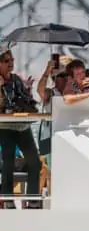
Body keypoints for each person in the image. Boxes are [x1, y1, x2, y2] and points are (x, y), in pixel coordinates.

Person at [0, 45, 42, 208]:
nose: (10, 63)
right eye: (6, 61)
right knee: (8, 163)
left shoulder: (16, 79)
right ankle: (8, 200)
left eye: (12, 60)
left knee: (34, 161)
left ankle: (33, 200)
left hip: (23, 127)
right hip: (5, 128)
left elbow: (24, 99)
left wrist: (28, 90)